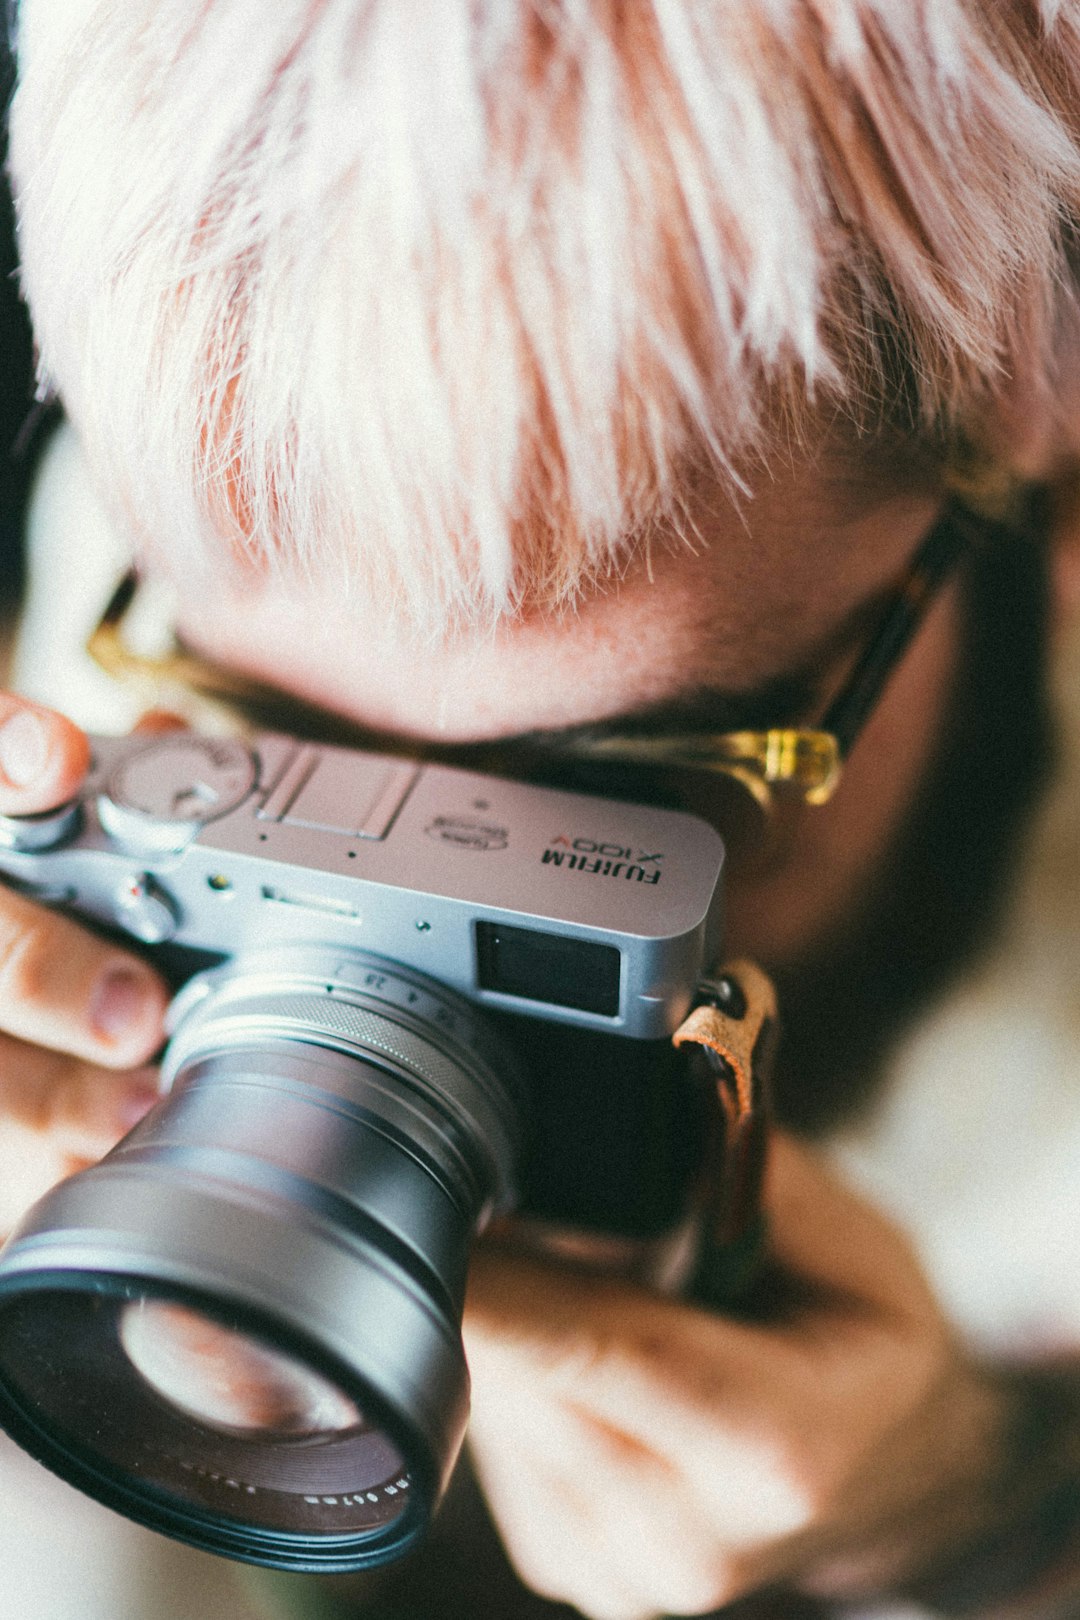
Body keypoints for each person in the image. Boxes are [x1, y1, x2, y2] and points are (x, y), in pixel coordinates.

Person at [2, 3, 1080, 1617]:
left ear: (1045, 389)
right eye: (254, 765)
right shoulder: (140, 575)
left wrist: (974, 1508)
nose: (399, 909)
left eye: (603, 800)